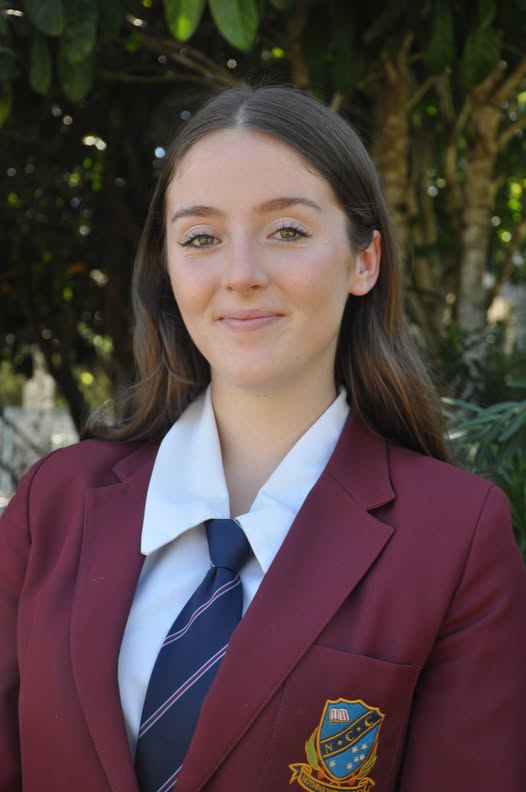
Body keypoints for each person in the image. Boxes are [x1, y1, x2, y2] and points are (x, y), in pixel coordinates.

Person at [1, 86, 525, 792]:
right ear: (168, 269)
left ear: (365, 261)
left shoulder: (456, 537)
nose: (241, 274)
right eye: (201, 238)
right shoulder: (53, 504)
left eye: (287, 231)